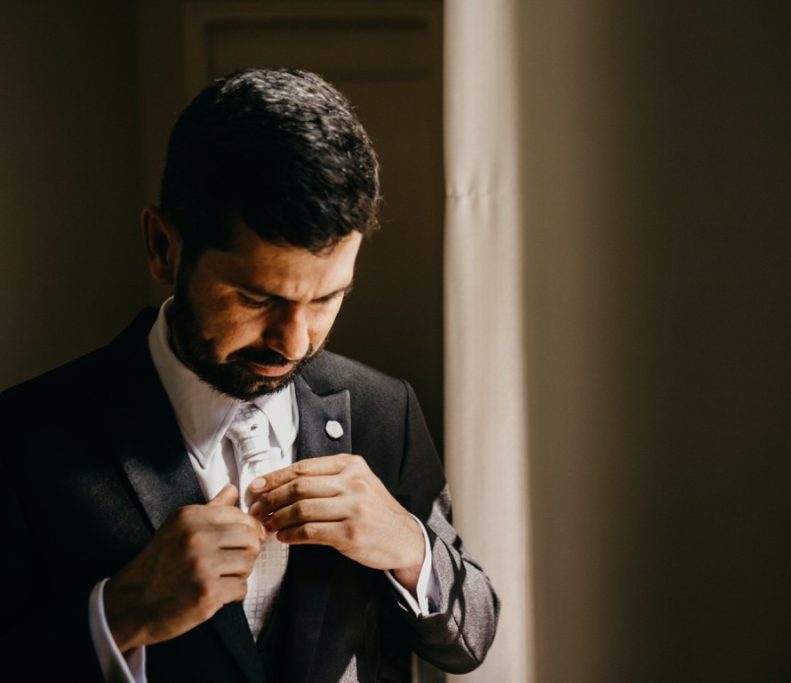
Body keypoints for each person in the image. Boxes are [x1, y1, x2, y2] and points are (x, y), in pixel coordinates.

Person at [0, 68, 498, 683]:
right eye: (256, 298)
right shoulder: (24, 437)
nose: (295, 342)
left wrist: (407, 546)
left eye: (325, 300)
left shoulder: (381, 410)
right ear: (163, 247)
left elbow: (469, 638)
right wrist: (118, 614)